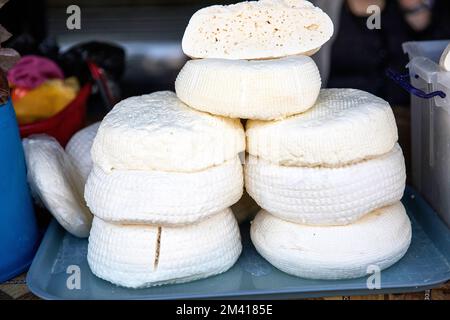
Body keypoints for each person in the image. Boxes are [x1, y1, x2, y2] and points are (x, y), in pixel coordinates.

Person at [311, 0, 450, 106]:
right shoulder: (321, 11)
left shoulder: (401, 9)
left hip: (404, 116)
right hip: (338, 113)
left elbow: (438, 54)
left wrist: (412, 7)